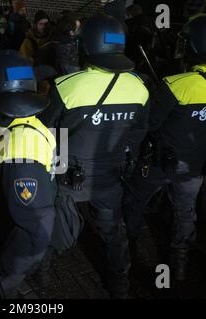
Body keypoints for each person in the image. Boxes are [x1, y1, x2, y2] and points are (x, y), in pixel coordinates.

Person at [123, 15, 206, 282]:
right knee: (185, 211)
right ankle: (181, 261)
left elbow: (151, 123)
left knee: (135, 201)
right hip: (198, 168)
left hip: (159, 164)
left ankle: (127, 247)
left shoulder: (177, 85)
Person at [43, 14, 150, 298]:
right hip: (111, 177)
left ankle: (42, 276)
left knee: (53, 227)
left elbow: (46, 131)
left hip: (68, 178)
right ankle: (120, 286)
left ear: (86, 45)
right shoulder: (139, 87)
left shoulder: (66, 85)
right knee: (114, 233)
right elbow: (138, 133)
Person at [0, 50, 57, 298]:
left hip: (12, 253)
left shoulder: (18, 149)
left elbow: (35, 230)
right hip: (14, 238)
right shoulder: (31, 123)